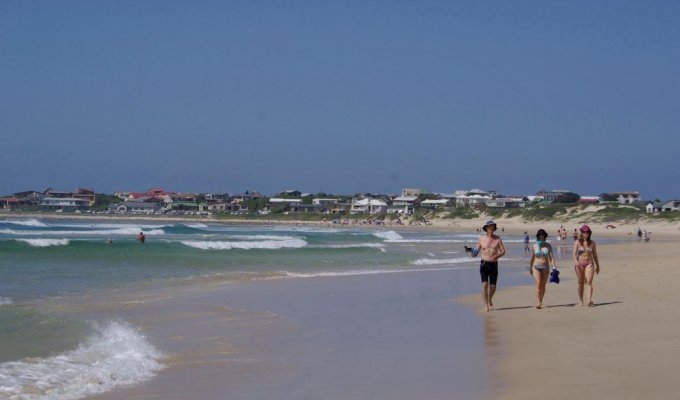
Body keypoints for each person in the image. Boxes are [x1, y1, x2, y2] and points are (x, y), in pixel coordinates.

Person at [469, 220, 506, 312]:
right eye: (489, 226)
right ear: (486, 228)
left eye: (492, 226)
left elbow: (503, 251)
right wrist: (470, 251)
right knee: (485, 284)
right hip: (484, 263)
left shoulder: (498, 239)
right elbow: (476, 251)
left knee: (493, 287)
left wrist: (497, 255)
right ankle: (486, 304)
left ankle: (489, 299)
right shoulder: (482, 239)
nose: (491, 228)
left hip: (494, 264)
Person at [572, 224, 600, 307]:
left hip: (589, 264)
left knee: (589, 281)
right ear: (581, 233)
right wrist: (576, 261)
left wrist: (598, 265)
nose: (586, 233)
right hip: (579, 265)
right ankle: (580, 301)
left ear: (589, 233)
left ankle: (589, 301)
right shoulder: (577, 242)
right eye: (584, 232)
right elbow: (574, 253)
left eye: (587, 232)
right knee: (580, 283)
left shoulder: (592, 243)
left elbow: (595, 255)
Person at [529, 229, 556, 309]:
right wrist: (530, 267)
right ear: (538, 236)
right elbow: (532, 258)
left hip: (545, 267)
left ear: (545, 236)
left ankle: (541, 300)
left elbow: (551, 258)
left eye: (542, 235)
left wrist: (554, 267)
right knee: (538, 283)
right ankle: (538, 302)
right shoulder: (534, 246)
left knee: (543, 285)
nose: (541, 236)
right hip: (536, 266)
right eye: (540, 235)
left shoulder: (548, 245)